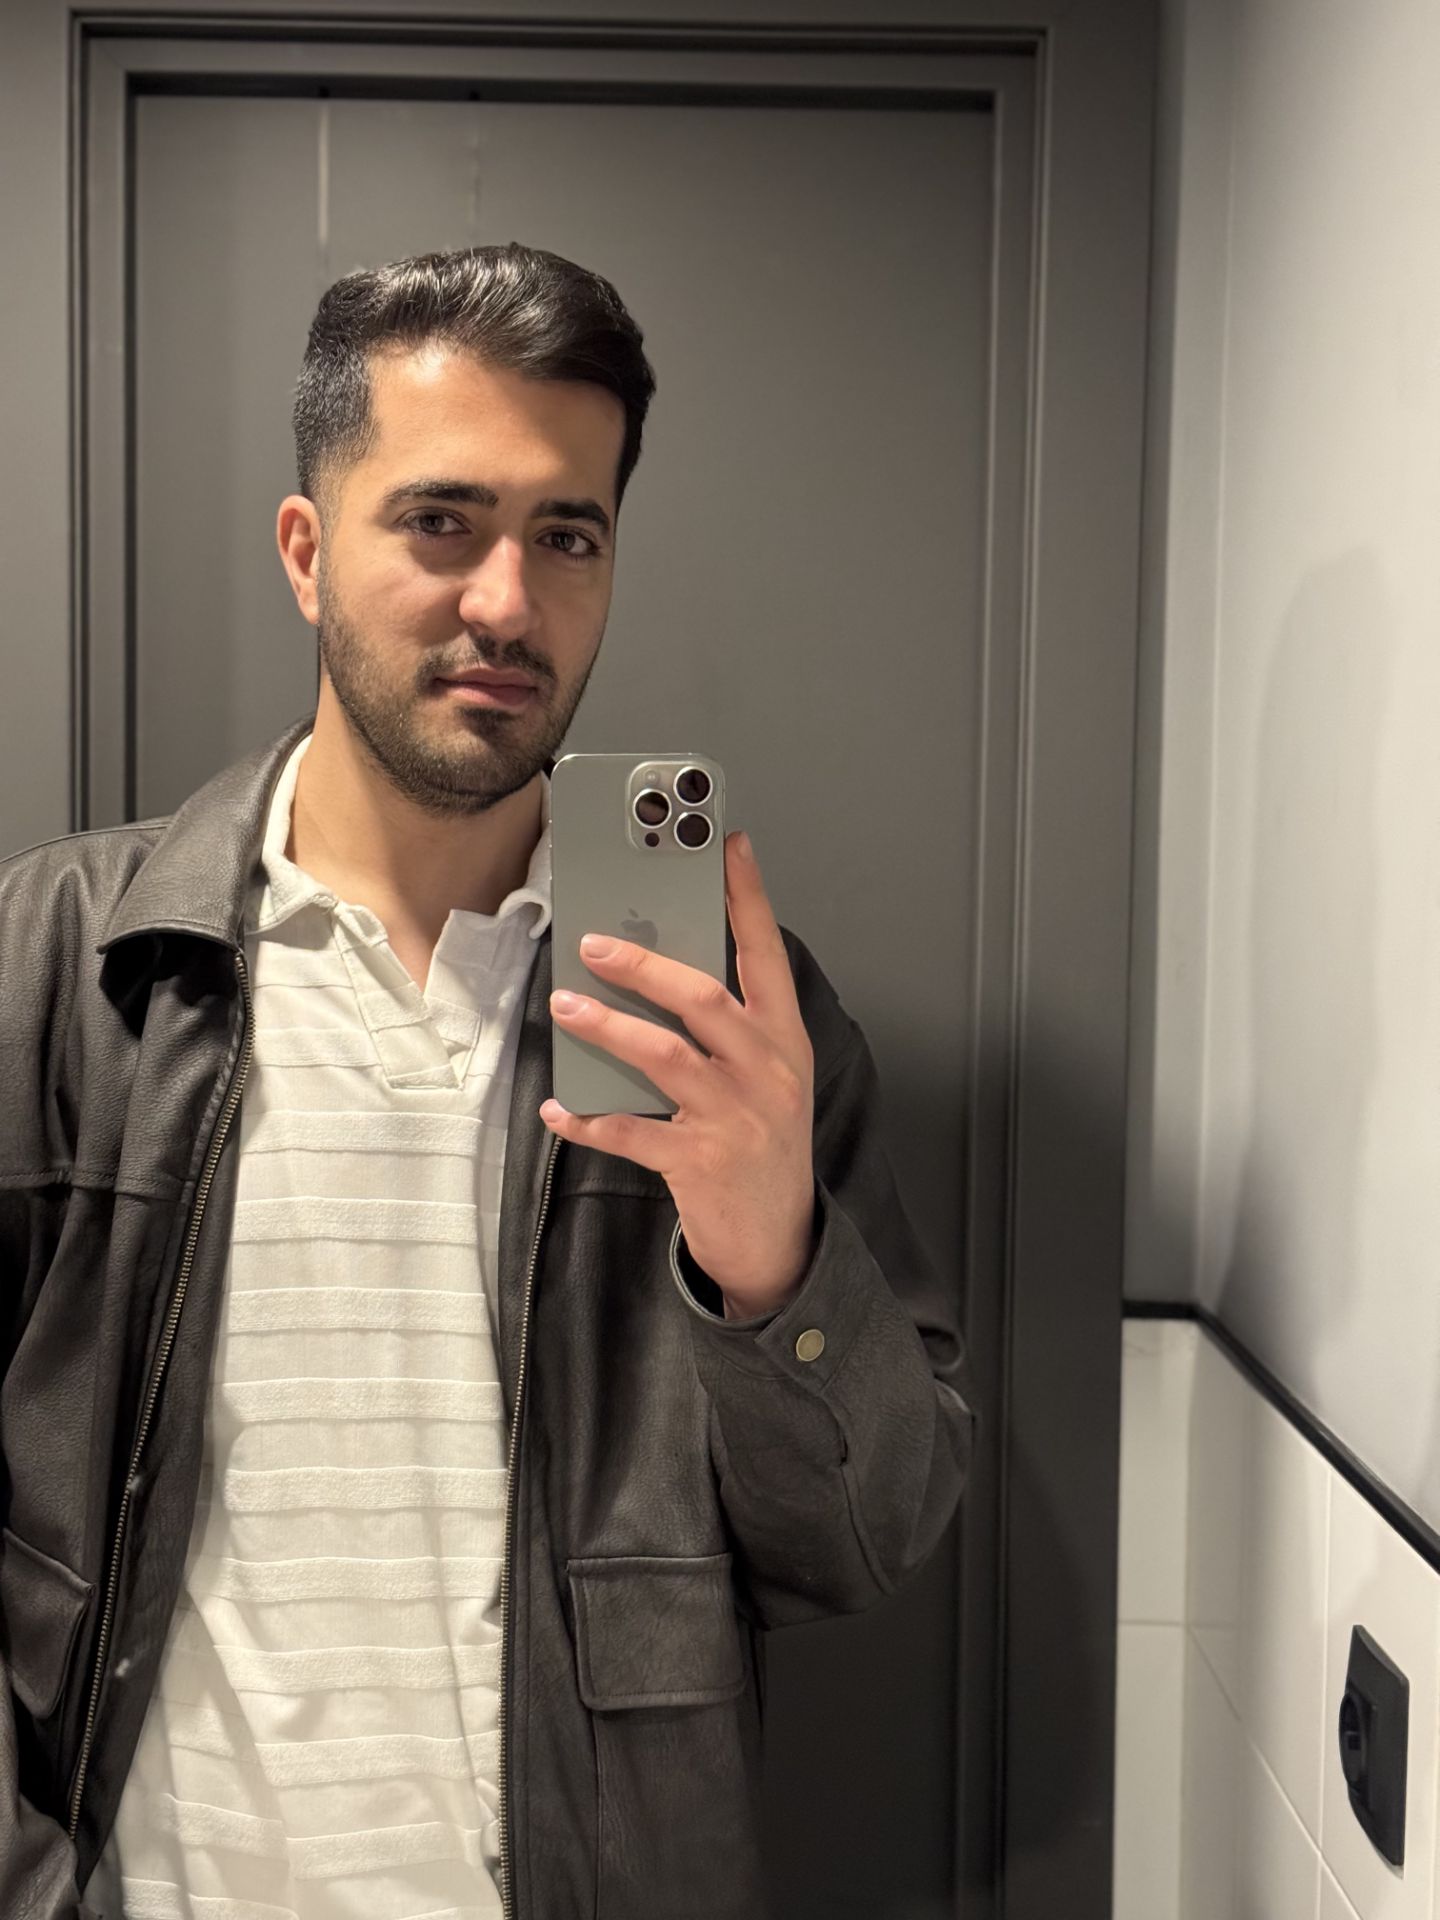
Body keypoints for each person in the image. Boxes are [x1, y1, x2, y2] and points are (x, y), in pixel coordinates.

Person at [0, 242, 978, 1920]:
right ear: (307, 551)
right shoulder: (66, 965)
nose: (509, 604)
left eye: (567, 535)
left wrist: (775, 1271)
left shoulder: (734, 1019)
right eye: (441, 522)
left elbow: (864, 1544)